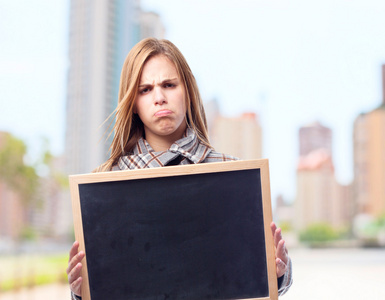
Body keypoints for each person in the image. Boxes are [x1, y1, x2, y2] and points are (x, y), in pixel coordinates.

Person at [66, 38, 293, 299]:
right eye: (145, 90)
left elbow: (257, 279)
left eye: (169, 85)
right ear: (134, 105)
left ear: (187, 91)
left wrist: (276, 273)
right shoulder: (103, 185)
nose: (159, 98)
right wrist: (80, 292)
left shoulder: (231, 175)